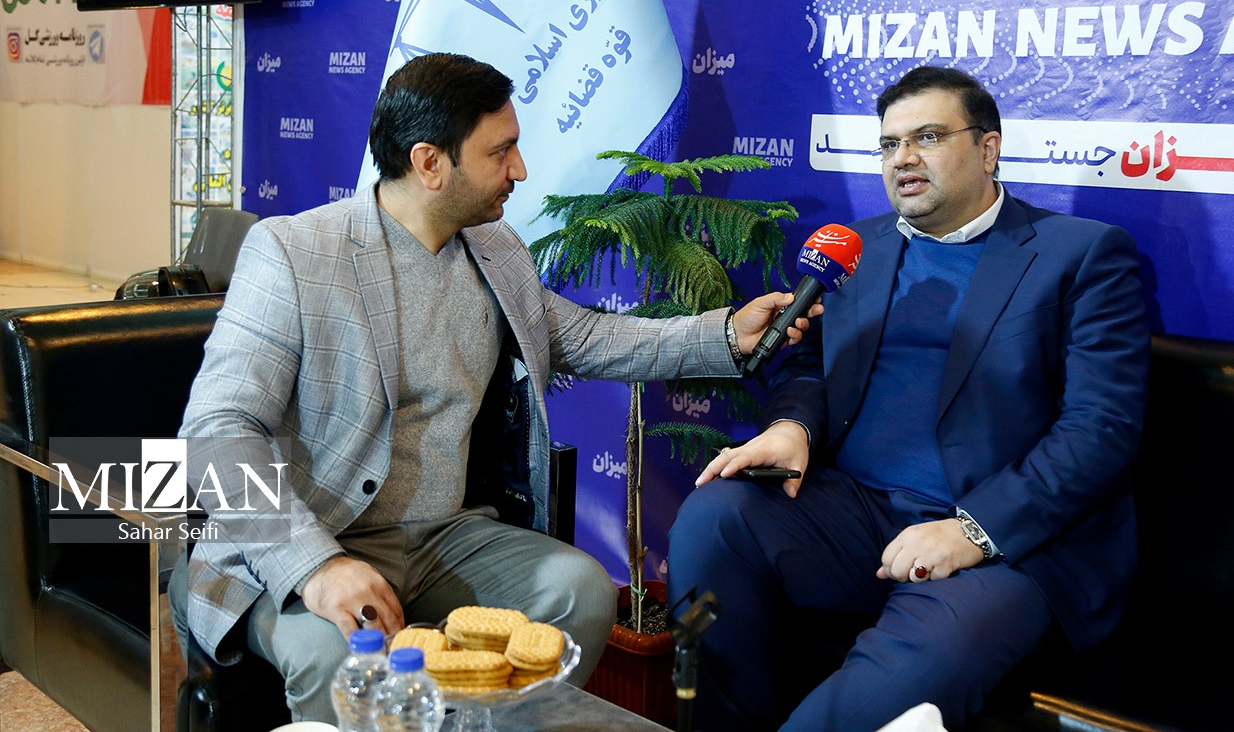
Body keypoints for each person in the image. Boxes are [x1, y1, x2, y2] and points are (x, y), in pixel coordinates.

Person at [168, 52, 819, 723]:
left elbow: (586, 337)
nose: (521, 169)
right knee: (341, 657)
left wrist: (727, 335)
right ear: (429, 163)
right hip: (308, 537)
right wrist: (316, 566)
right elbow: (217, 429)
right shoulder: (292, 252)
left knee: (579, 590)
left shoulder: (496, 249)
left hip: (441, 538)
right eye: (500, 151)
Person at [667, 66, 1150, 731]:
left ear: (987, 148)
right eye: (890, 144)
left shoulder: (1082, 255)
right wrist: (792, 428)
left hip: (1004, 541)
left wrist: (973, 530)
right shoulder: (857, 249)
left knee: (889, 688)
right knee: (715, 516)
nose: (904, 158)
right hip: (856, 512)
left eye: (927, 137)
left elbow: (1101, 427)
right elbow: (808, 367)